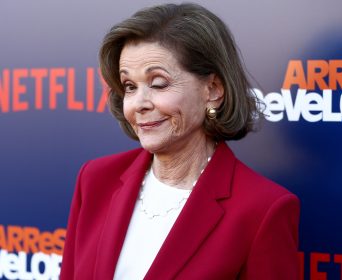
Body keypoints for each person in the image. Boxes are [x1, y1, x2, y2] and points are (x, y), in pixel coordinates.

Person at [60, 3, 300, 280]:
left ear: (213, 90)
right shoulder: (95, 180)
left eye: (158, 83)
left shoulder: (263, 209)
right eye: (129, 86)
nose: (138, 104)